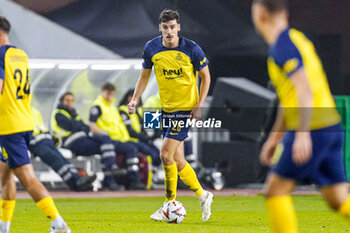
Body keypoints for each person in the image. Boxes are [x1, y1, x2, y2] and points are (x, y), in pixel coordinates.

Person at [251, 0, 350, 232]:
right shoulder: (298, 38)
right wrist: (275, 139)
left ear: (260, 14)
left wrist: (303, 134)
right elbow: (291, 98)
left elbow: (304, 89)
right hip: (331, 127)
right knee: (338, 199)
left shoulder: (282, 46)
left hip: (313, 128)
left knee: (275, 191)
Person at [128, 9, 213, 221]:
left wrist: (200, 105)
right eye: (165, 28)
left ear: (178, 28)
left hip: (185, 109)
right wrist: (135, 98)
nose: (169, 31)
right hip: (166, 110)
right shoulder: (151, 48)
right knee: (178, 160)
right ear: (160, 28)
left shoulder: (192, 49)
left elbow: (206, 77)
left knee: (165, 154)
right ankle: (203, 195)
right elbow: (144, 77)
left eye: (172, 27)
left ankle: (169, 204)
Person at [0, 17, 70, 233]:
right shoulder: (19, 54)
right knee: (4, 174)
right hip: (24, 121)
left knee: (27, 178)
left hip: (8, 126)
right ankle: (4, 227)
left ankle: (58, 223)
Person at [51, 92, 125, 191]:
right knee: (106, 147)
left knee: (106, 143)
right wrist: (80, 126)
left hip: (83, 139)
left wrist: (80, 126)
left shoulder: (73, 113)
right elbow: (73, 126)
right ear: (62, 101)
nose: (69, 103)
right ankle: (111, 174)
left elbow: (84, 127)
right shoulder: (59, 113)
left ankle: (110, 177)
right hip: (72, 142)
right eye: (67, 100)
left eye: (72, 100)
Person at [89, 83, 146, 190]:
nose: (110, 96)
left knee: (132, 149)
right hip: (108, 139)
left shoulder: (112, 106)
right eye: (107, 94)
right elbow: (92, 125)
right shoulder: (98, 106)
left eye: (112, 94)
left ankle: (131, 180)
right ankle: (130, 179)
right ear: (102, 92)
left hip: (118, 139)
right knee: (128, 149)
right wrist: (104, 134)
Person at [30, 106, 96, 191]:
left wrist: (49, 137)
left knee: (60, 158)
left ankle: (79, 180)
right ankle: (76, 181)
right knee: (54, 158)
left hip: (44, 139)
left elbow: (41, 127)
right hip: (33, 142)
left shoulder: (34, 110)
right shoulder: (17, 110)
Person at [119, 89, 161, 167]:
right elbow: (129, 131)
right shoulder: (123, 110)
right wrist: (143, 137)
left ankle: (152, 173)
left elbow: (152, 125)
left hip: (141, 138)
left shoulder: (140, 110)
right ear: (128, 98)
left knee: (157, 153)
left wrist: (153, 135)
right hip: (130, 139)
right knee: (151, 153)